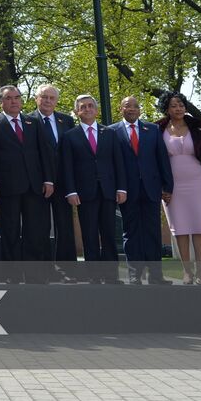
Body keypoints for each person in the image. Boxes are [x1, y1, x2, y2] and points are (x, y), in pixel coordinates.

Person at [0, 85, 55, 270]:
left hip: (34, 186)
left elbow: (43, 153)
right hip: (7, 187)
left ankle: (33, 274)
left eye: (16, 97)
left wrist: (48, 180)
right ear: (1, 102)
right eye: (8, 98)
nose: (13, 101)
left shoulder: (33, 122)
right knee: (10, 231)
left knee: (34, 231)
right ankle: (12, 274)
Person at [60, 93, 125, 283]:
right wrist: (71, 191)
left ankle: (111, 275)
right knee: (89, 235)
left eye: (90, 106)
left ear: (96, 110)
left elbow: (118, 163)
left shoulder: (110, 133)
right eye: (83, 107)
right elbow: (67, 167)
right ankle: (95, 276)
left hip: (108, 191)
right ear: (76, 111)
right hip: (84, 193)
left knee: (109, 235)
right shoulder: (70, 136)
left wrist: (121, 188)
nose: (87, 109)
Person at [158, 91, 201, 285]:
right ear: (166, 108)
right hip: (171, 187)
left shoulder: (200, 126)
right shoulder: (157, 129)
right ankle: (187, 271)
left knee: (199, 227)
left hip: (198, 184)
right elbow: (154, 162)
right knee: (180, 228)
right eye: (174, 105)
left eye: (182, 105)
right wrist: (161, 188)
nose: (179, 109)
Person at [116, 95, 174, 285]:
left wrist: (168, 186)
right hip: (127, 190)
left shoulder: (153, 129)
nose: (132, 109)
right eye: (127, 106)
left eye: (135, 106)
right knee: (131, 233)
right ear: (121, 109)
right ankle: (134, 275)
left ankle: (156, 275)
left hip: (151, 189)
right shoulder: (111, 132)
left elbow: (162, 160)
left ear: (139, 110)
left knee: (153, 232)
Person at [34, 83, 77, 265]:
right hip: (38, 182)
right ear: (36, 99)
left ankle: (66, 268)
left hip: (63, 180)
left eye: (52, 98)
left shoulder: (66, 121)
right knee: (40, 227)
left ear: (57, 101)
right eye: (44, 97)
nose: (48, 101)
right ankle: (44, 268)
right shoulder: (28, 120)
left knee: (65, 226)